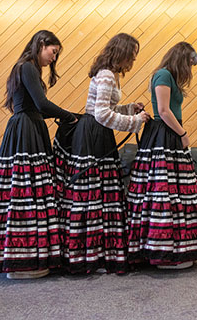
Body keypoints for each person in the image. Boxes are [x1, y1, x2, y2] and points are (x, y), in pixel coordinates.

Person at [0, 30, 77, 279]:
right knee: (26, 192)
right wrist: (69, 116)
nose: (54, 57)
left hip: (29, 126)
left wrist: (66, 115)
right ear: (41, 44)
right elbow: (41, 105)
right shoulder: (27, 67)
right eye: (53, 51)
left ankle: (20, 256)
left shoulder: (28, 68)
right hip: (27, 130)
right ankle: (23, 260)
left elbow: (37, 107)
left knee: (20, 191)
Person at [53, 33, 150, 274]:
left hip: (95, 133)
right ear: (122, 53)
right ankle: (96, 253)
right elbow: (102, 115)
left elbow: (106, 108)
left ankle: (91, 252)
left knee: (93, 193)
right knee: (95, 193)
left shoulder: (109, 74)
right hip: (94, 135)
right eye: (132, 56)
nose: (133, 60)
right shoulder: (107, 75)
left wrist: (128, 109)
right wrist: (135, 120)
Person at [126, 42, 197, 269]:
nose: (189, 69)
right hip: (163, 137)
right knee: (164, 192)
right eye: (189, 63)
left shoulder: (168, 76)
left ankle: (179, 247)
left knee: (175, 192)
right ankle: (163, 249)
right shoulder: (163, 75)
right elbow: (164, 111)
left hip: (168, 136)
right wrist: (183, 133)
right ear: (181, 59)